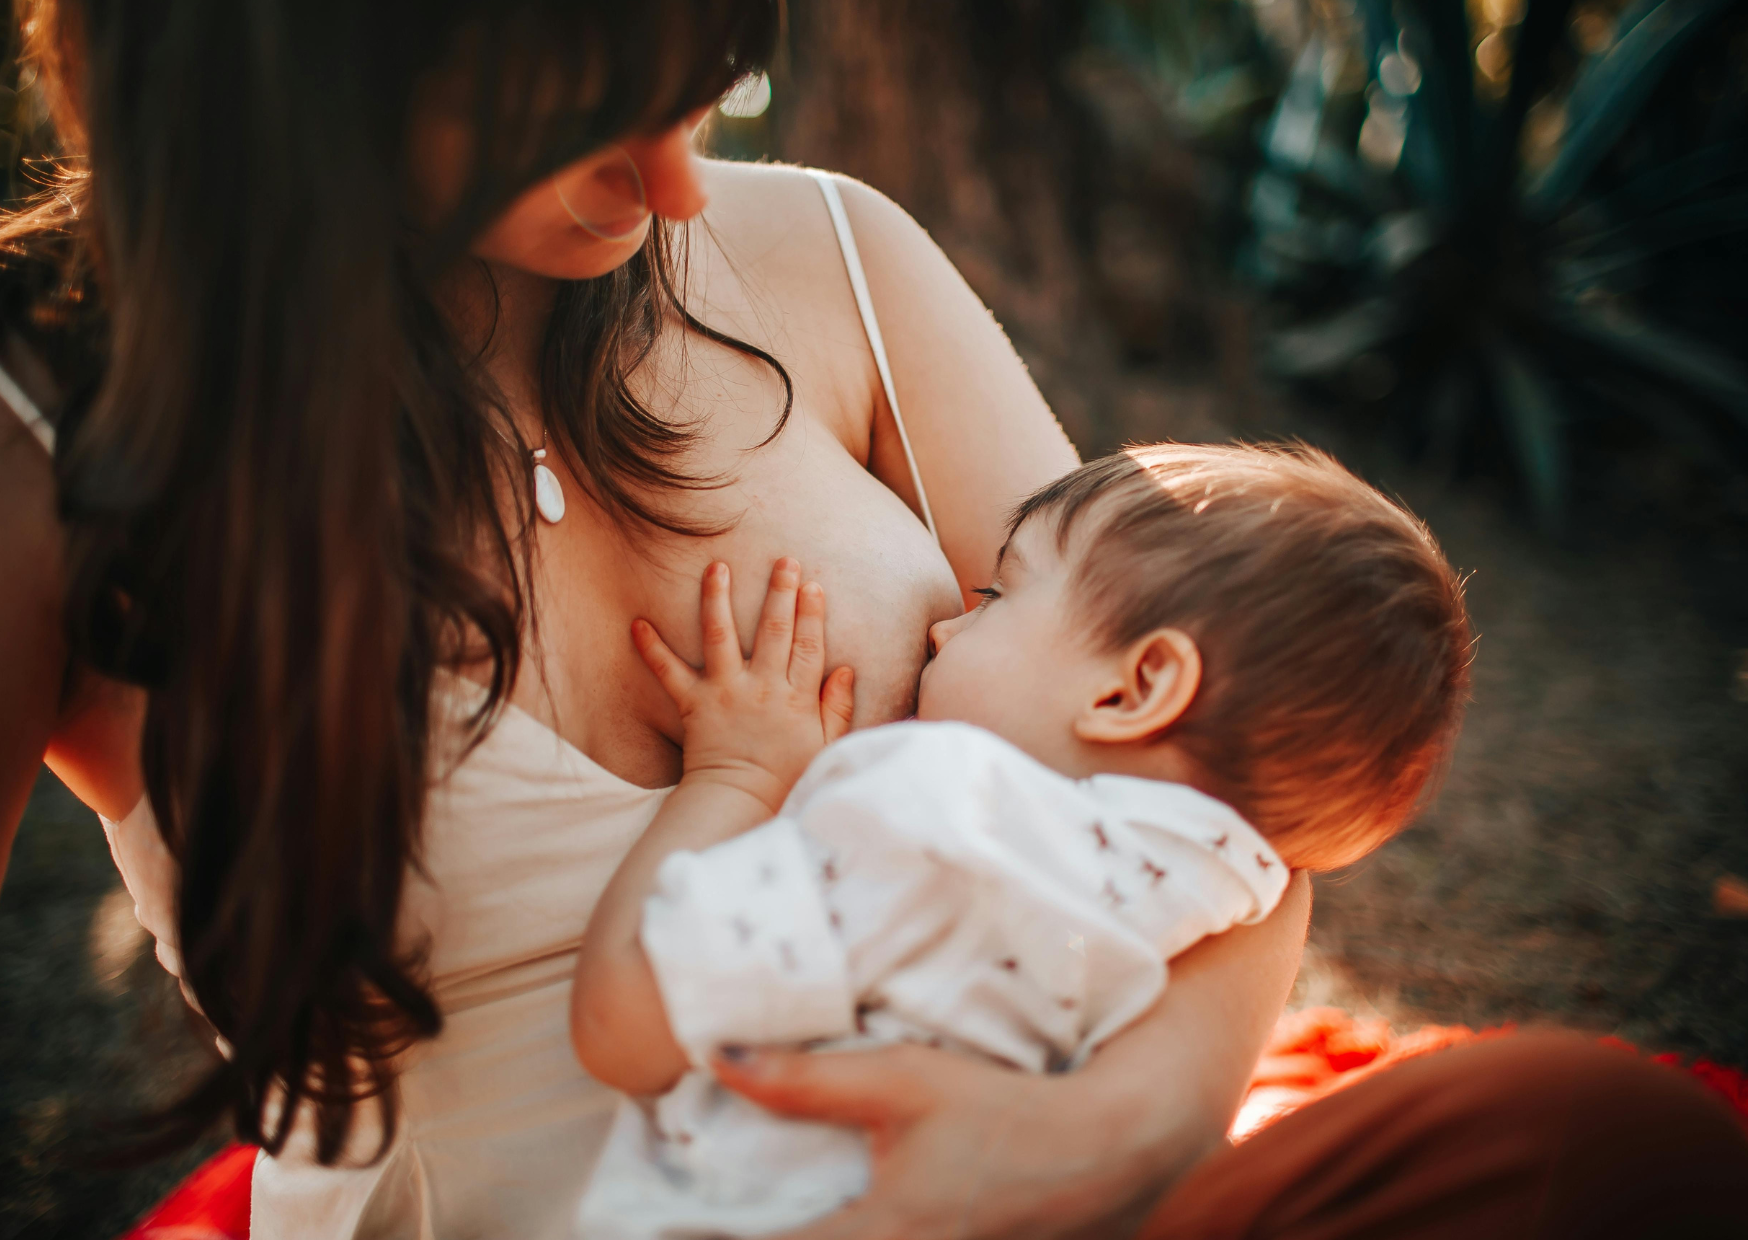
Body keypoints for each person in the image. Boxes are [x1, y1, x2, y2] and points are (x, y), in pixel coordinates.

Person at [0, 1, 1741, 1237]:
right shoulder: (53, 438)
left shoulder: (834, 254)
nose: (678, 187)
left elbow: (1218, 793)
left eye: (705, 82)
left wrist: (1101, 1136)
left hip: (1028, 1198)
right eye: (585, 104)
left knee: (1594, 1138)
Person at [569, 443, 1472, 1237]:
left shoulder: (936, 814)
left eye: (998, 594)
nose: (944, 625)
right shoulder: (1219, 899)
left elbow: (625, 1025)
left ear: (1134, 689)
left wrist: (737, 776)